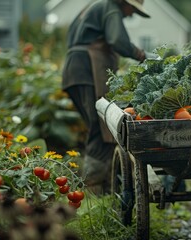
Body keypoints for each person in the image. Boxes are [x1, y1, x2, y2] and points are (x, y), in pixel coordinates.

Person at [62, 0, 150, 193]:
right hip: (90, 69)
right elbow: (117, 40)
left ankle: (107, 188)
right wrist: (142, 55)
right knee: (102, 129)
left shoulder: (94, 7)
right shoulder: (111, 8)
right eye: (132, 9)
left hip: (74, 70)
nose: (130, 14)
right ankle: (92, 187)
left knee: (100, 127)